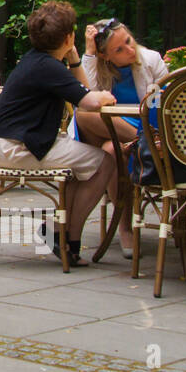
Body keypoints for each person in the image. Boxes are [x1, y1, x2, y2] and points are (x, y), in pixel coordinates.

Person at [0, 1, 118, 267]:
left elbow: (81, 91)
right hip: (18, 147)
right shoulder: (48, 68)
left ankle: (61, 231)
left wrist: (73, 58)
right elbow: (90, 99)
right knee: (105, 162)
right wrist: (105, 95)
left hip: (11, 142)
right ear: (69, 37)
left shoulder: (39, 61)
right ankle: (68, 236)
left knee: (82, 164)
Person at [76, 18, 168, 258]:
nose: (130, 50)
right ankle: (125, 227)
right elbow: (85, 96)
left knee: (110, 151)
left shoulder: (151, 60)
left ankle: (124, 226)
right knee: (85, 113)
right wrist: (89, 53)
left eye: (129, 41)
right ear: (106, 56)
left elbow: (165, 103)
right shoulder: (99, 65)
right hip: (117, 127)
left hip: (149, 122)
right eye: (119, 49)